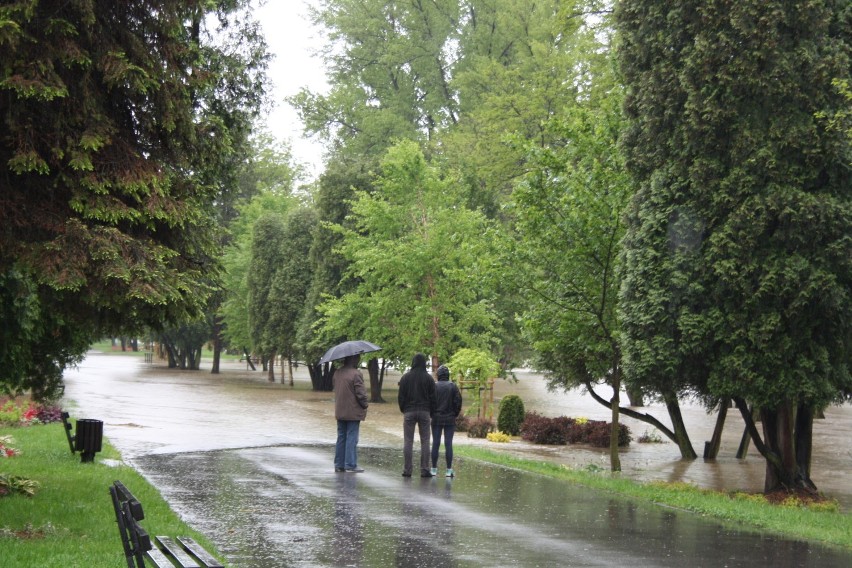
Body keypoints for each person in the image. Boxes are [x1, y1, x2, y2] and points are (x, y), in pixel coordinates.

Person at [397, 353, 437, 477]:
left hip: (409, 411)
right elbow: (434, 398)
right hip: (425, 411)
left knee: (408, 441)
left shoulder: (405, 378)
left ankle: (407, 470)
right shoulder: (429, 378)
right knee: (425, 441)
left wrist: (404, 409)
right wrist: (431, 411)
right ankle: (425, 469)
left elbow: (401, 397)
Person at [333, 354, 369, 473]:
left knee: (341, 437)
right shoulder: (356, 374)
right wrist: (365, 404)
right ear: (353, 359)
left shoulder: (337, 373)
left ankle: (339, 464)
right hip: (352, 411)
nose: (359, 360)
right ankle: (350, 464)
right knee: (352, 437)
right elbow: (360, 393)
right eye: (357, 358)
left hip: (340, 410)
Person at [430, 364, 462, 477]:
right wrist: (455, 414)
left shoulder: (434, 386)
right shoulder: (453, 386)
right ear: (448, 375)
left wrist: (432, 414)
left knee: (436, 443)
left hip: (436, 418)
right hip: (450, 418)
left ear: (438, 375)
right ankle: (448, 470)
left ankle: (433, 468)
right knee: (448, 443)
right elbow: (458, 402)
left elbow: (430, 402)